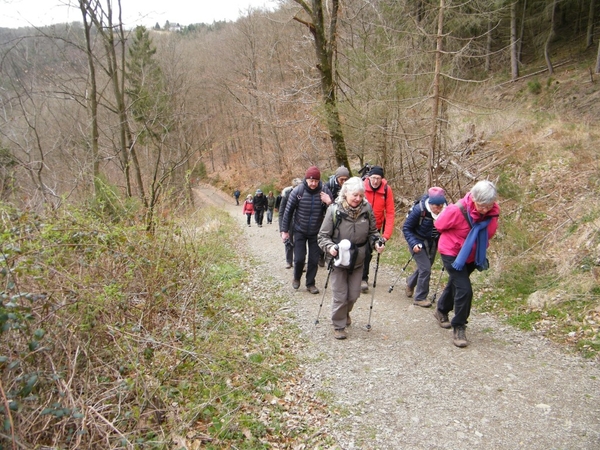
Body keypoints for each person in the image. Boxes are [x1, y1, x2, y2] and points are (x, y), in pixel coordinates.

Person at [433, 180, 500, 348]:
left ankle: (441, 310)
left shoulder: (493, 214)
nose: (485, 209)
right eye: (481, 205)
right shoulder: (457, 210)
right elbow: (439, 224)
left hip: (473, 256)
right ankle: (459, 326)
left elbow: (490, 232)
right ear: (474, 198)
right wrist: (460, 240)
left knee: (456, 284)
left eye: (489, 206)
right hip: (453, 253)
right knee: (465, 289)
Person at [318, 177, 385, 340]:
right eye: (355, 195)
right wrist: (330, 247)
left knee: (353, 295)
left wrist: (377, 242)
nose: (358, 199)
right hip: (338, 259)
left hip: (358, 259)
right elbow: (322, 236)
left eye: (361, 196)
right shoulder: (334, 210)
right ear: (345, 193)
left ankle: (345, 312)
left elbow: (373, 232)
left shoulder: (366, 209)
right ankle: (339, 325)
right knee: (340, 295)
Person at [280, 166, 333, 294]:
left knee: (314, 260)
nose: (313, 183)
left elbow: (335, 210)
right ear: (306, 179)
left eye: (316, 181)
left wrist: (329, 202)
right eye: (311, 181)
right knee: (299, 259)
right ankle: (296, 277)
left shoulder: (324, 190)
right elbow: (288, 211)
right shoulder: (298, 191)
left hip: (316, 232)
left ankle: (310, 283)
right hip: (299, 230)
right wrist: (284, 231)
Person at [402, 187, 447, 308]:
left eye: (440, 206)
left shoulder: (446, 209)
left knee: (425, 267)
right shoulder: (419, 210)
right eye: (436, 206)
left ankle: (410, 283)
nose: (438, 209)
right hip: (417, 241)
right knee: (426, 268)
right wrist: (413, 243)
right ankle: (420, 297)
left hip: (433, 242)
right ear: (430, 203)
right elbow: (406, 228)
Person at [362, 165, 395, 292]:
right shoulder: (362, 187)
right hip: (360, 224)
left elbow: (390, 212)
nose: (375, 181)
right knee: (359, 251)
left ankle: (363, 278)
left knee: (367, 252)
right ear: (369, 177)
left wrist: (386, 235)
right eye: (373, 178)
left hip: (376, 227)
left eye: (378, 178)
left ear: (382, 179)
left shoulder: (386, 190)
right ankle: (356, 276)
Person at [278, 178, 302, 269]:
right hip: (288, 222)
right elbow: (281, 213)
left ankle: (300, 262)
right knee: (288, 242)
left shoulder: (304, 194)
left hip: (300, 222)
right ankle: (289, 261)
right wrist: (282, 228)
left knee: (300, 243)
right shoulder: (286, 195)